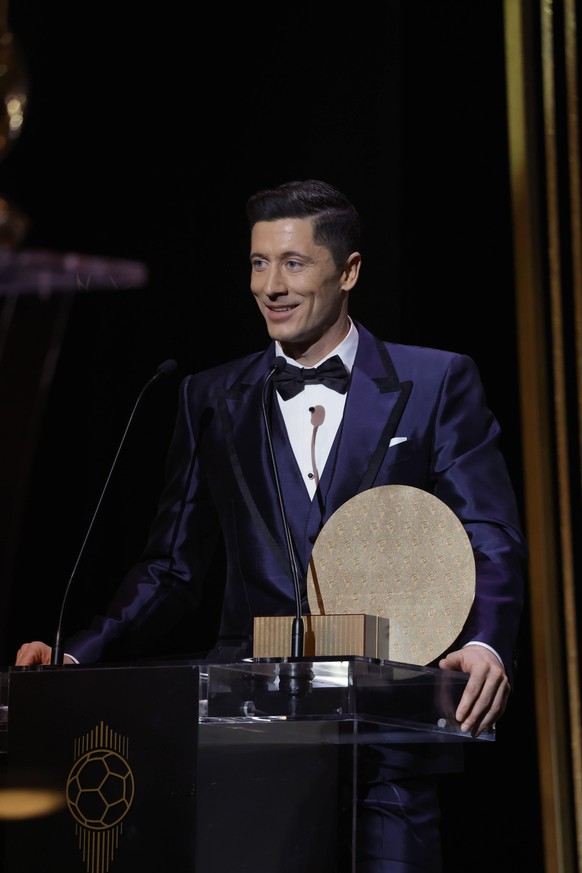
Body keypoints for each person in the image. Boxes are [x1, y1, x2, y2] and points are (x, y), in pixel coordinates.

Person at [15, 179, 527, 871]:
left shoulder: (438, 384)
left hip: (390, 754)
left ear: (348, 271)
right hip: (253, 742)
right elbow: (172, 566)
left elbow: (488, 532)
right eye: (258, 263)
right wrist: (76, 656)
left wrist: (488, 643)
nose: (270, 286)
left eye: (292, 263)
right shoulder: (210, 397)